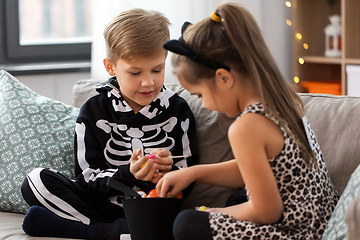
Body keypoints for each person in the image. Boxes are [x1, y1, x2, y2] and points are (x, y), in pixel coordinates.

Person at [157, 3, 339, 239]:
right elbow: (253, 167)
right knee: (237, 198)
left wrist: (216, 213)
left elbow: (267, 211)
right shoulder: (283, 100)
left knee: (187, 223)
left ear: (223, 78)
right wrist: (193, 173)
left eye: (200, 95)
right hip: (319, 220)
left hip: (297, 232)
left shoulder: (246, 126)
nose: (204, 105)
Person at [20, 8, 197, 240]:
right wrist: (129, 173)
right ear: (110, 67)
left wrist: (168, 172)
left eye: (157, 69)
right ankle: (119, 231)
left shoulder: (178, 110)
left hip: (152, 207)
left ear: (165, 60)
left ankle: (93, 231)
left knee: (182, 220)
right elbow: (87, 177)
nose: (148, 82)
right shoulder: (93, 111)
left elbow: (189, 175)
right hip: (98, 204)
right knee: (35, 180)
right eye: (135, 72)